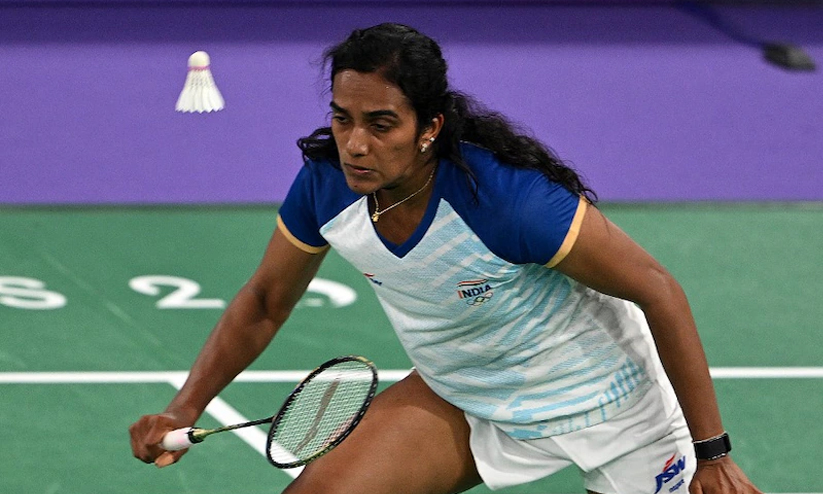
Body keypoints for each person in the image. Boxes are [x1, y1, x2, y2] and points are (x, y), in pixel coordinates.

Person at [130, 23, 762, 494]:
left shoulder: (507, 201)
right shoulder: (326, 186)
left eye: (381, 124)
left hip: (608, 402)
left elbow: (657, 290)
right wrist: (184, 407)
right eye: (343, 118)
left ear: (428, 127)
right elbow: (266, 300)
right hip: (463, 393)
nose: (355, 145)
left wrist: (713, 453)